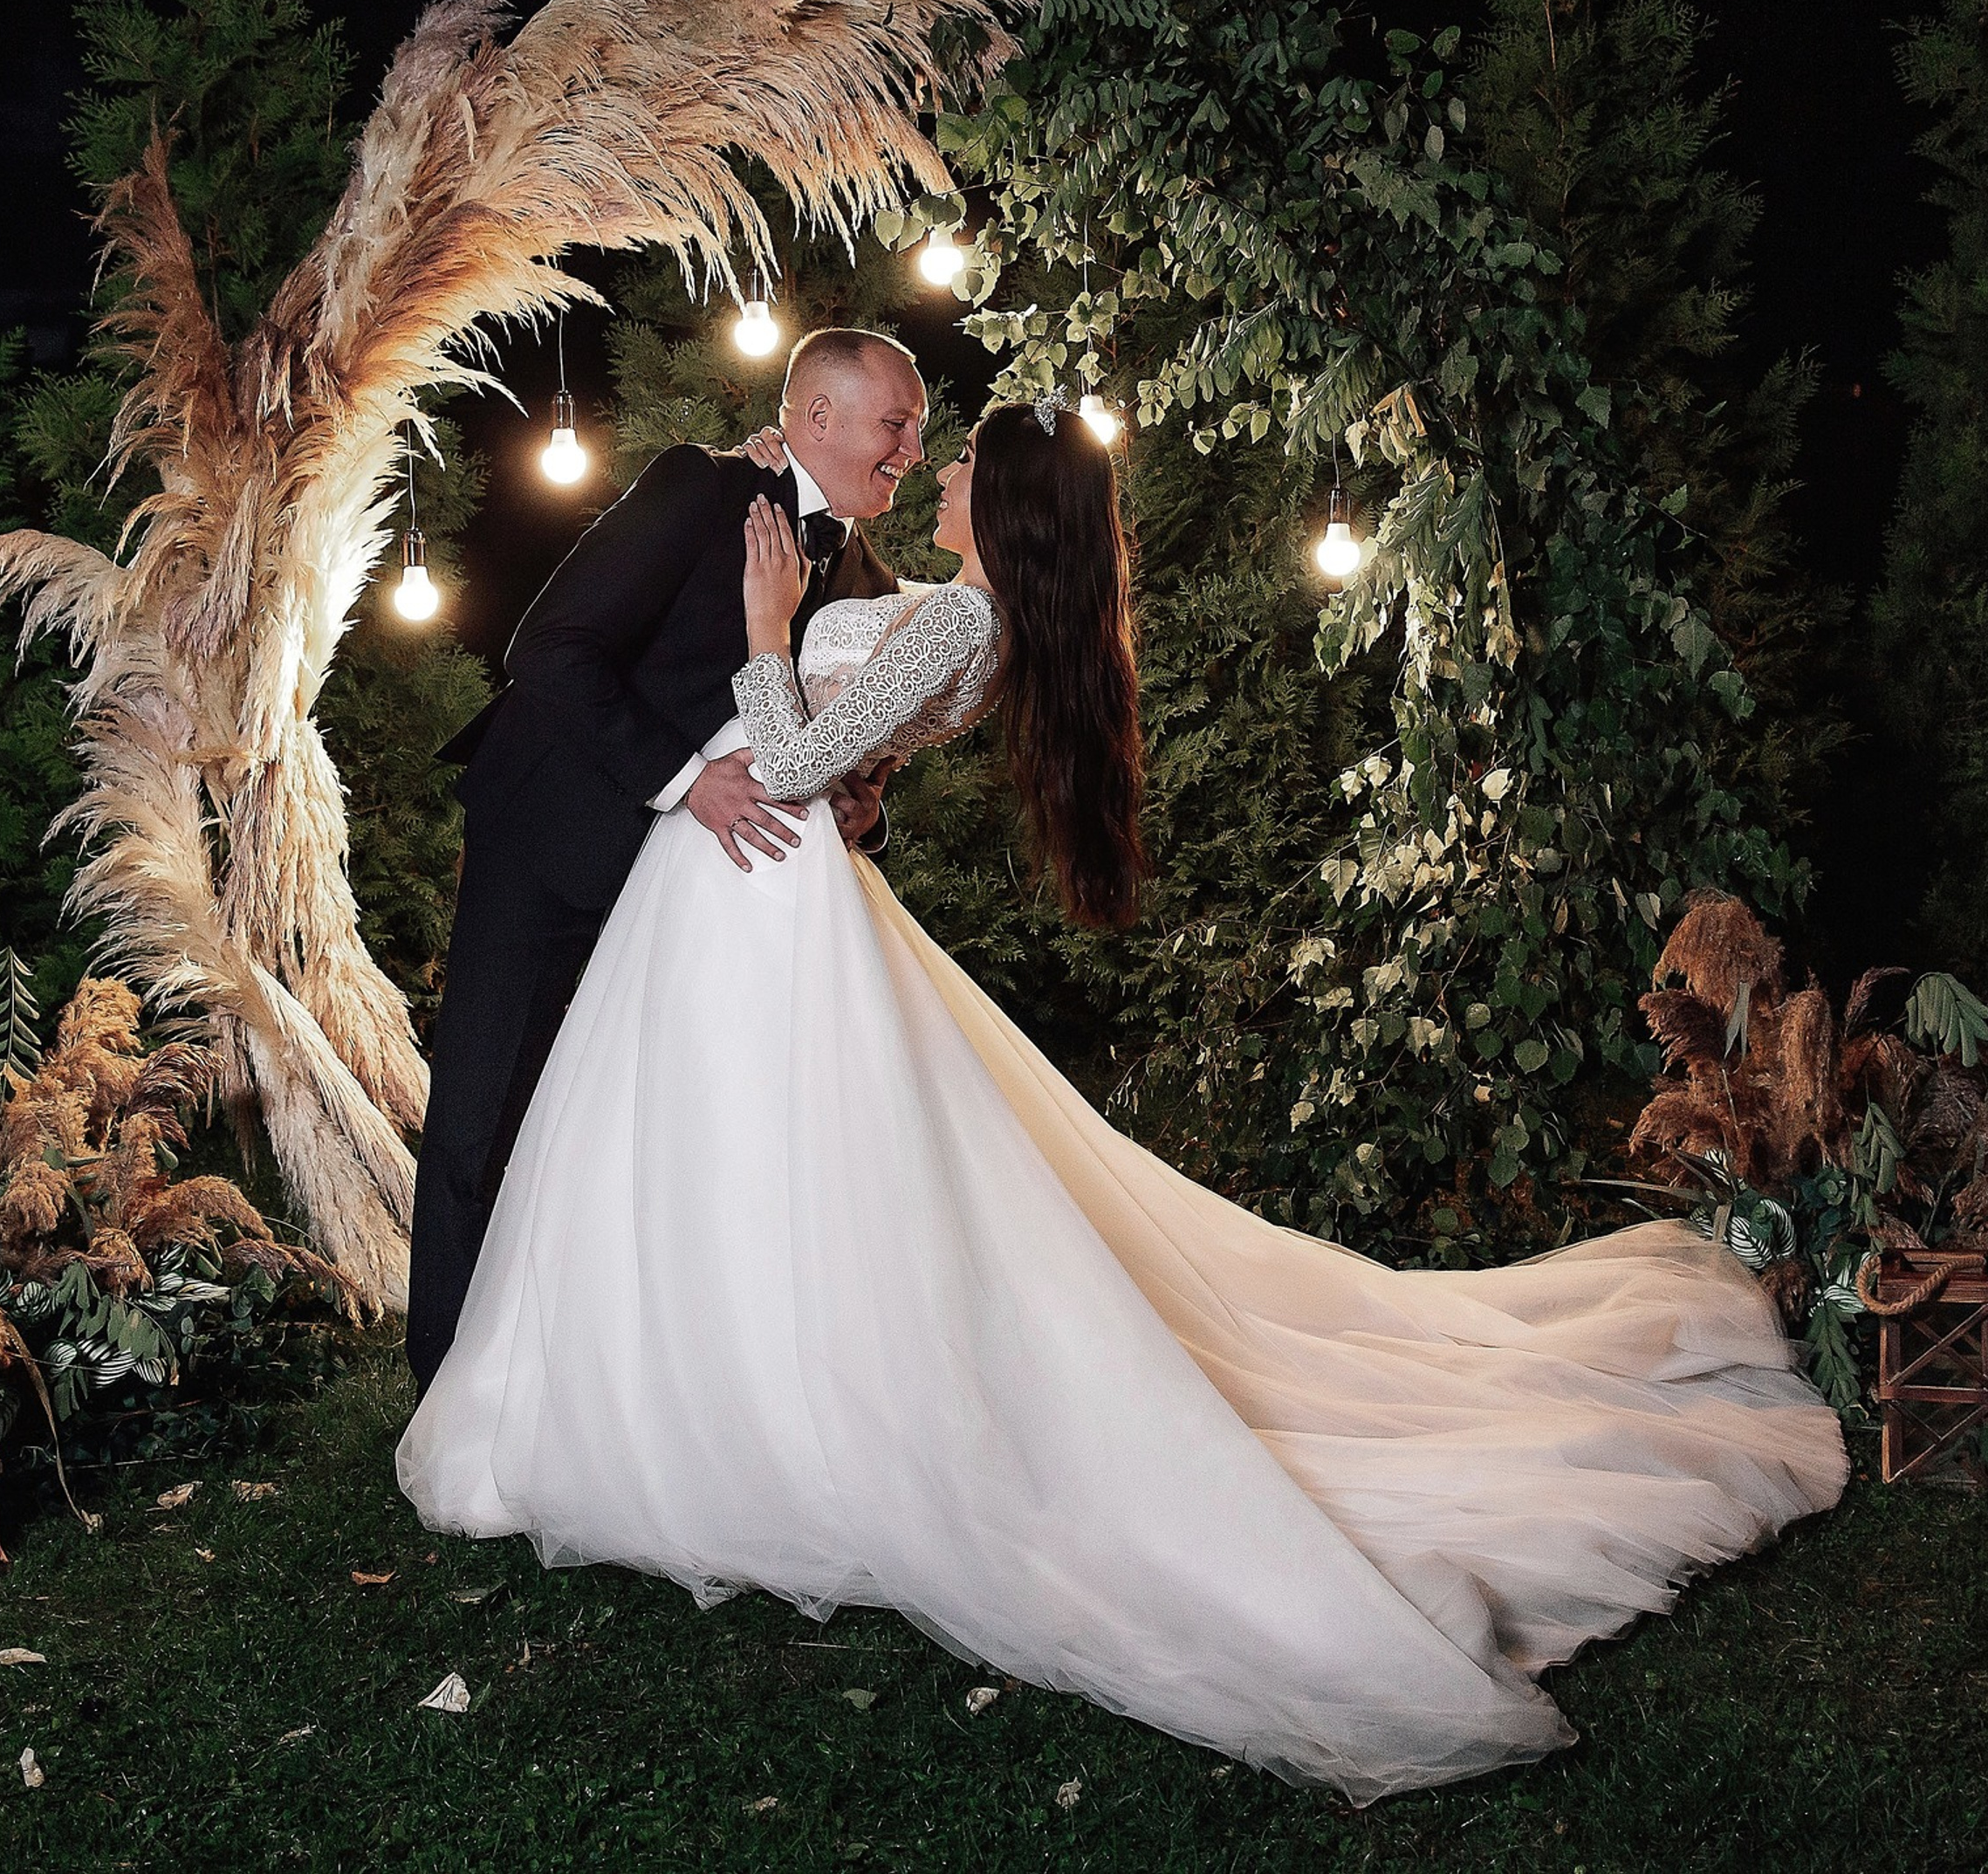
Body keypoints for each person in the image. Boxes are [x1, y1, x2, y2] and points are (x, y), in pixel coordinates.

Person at [396, 389, 1846, 1803]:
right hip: (746, 889)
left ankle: (721, 1423)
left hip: (759, 895)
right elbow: (831, 748)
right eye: (915, 437)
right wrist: (846, 758)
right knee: (731, 1167)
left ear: (1011, 505)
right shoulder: (941, 606)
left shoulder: (960, 620)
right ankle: (688, 1393)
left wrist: (776, 640)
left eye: (959, 456)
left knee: (750, 1166)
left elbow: (789, 752)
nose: (935, 466)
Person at [403, 327, 925, 1395]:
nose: (912, 450)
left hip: (693, 900)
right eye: (896, 423)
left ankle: (587, 1387)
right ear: (815, 417)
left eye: (916, 430)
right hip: (552, 838)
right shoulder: (705, 487)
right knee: (483, 1117)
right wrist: (687, 779)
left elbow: (825, 744)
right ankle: (448, 1391)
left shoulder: (870, 581)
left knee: (635, 1143)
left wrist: (863, 808)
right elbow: (548, 647)